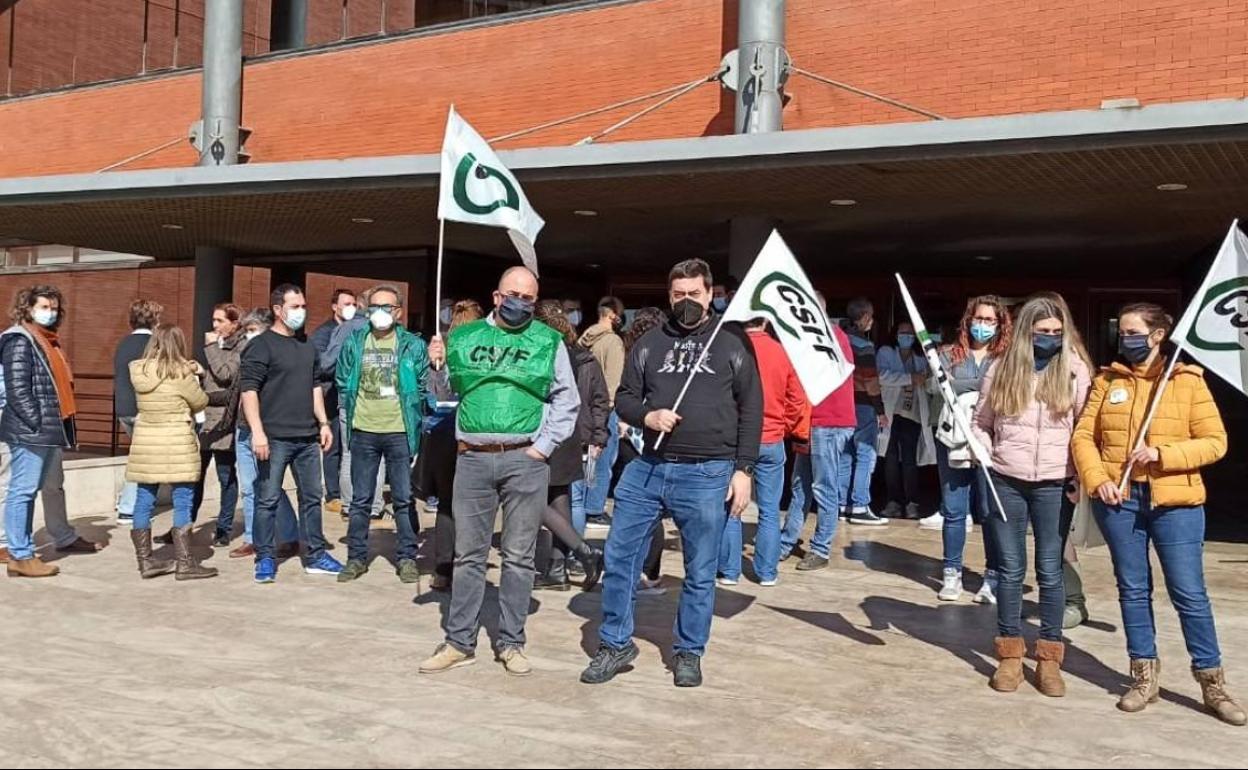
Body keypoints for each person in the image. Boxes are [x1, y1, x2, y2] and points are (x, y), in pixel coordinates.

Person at [582, 258, 762, 689]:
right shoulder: (649, 342)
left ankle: (688, 651)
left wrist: (743, 470)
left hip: (708, 472)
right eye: (678, 295)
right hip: (648, 468)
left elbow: (752, 407)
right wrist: (648, 415)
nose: (686, 302)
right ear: (669, 295)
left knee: (700, 569)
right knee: (621, 558)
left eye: (694, 294)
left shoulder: (732, 339)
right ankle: (615, 642)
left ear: (710, 293)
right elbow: (624, 398)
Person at [1072, 302, 1244, 725]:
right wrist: (1097, 480)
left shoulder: (1187, 382)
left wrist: (1161, 454)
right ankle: (1143, 675)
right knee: (1132, 589)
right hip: (1120, 501)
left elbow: (1215, 442)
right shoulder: (1107, 380)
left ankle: (1212, 682)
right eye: (1122, 331)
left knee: (1189, 593)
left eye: (1133, 331)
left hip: (1177, 503)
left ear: (1157, 335)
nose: (1124, 338)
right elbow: (1083, 436)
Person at [419, 267, 579, 677]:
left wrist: (543, 447)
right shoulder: (464, 338)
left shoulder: (548, 341)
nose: (520, 303)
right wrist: (436, 365)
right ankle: (459, 641)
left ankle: (511, 641)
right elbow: (445, 392)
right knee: (468, 554)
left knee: (519, 556)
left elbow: (567, 399)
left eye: (529, 297)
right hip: (472, 456)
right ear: (496, 296)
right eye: (513, 294)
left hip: (524, 457)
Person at [972, 293, 1091, 698]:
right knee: (1008, 569)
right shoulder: (1000, 368)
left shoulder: (1074, 371)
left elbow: (1084, 429)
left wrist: (1079, 474)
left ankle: (1049, 659)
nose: (1051, 339)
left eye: (1058, 333)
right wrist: (981, 447)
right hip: (1007, 478)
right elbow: (982, 421)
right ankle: (1008, 654)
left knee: (1050, 571)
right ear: (1027, 332)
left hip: (1055, 483)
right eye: (1043, 332)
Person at [240, 283, 342, 583]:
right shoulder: (260, 346)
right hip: (273, 439)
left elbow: (314, 387)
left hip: (307, 438)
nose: (301, 311)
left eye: (303, 306)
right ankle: (265, 558)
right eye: (295, 306)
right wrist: (257, 433)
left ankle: (315, 554)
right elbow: (249, 391)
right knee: (267, 500)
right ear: (277, 309)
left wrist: (323, 422)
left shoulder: (307, 346)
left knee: (311, 498)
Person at [334, 284, 430, 583]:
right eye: (373, 306)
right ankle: (356, 558)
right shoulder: (355, 341)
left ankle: (407, 558)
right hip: (364, 430)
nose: (378, 312)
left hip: (399, 431)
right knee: (360, 500)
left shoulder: (412, 345)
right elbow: (342, 378)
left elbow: (424, 383)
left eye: (386, 307)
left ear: (398, 312)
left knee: (402, 498)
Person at [0, 286, 96, 577]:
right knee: (22, 490)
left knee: (32, 489)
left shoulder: (46, 340)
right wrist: (36, 422)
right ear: (27, 308)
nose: (50, 311)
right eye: (44, 306)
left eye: (53, 307)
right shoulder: (20, 339)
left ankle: (23, 552)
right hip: (31, 429)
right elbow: (17, 388)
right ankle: (20, 554)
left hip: (45, 428)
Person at [927, 296, 1012, 604]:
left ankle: (993, 576)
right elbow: (934, 387)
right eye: (979, 319)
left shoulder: (1008, 358)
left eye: (990, 321)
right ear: (968, 320)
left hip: (992, 441)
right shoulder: (949, 354)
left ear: (1000, 324)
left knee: (990, 511)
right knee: (954, 509)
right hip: (953, 439)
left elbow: (1006, 393)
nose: (983, 326)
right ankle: (952, 573)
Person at [124, 324, 217, 580]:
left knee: (144, 500)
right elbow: (200, 401)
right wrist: (196, 373)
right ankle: (185, 563)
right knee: (183, 500)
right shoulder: (180, 373)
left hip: (146, 442)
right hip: (177, 441)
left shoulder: (139, 370)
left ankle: (145, 561)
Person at [718, 317, 805, 586]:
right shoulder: (782, 351)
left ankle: (730, 571)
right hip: (772, 438)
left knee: (732, 506)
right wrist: (784, 426)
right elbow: (797, 399)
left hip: (737, 438)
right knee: (770, 509)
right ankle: (767, 572)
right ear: (766, 320)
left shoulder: (730, 348)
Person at [532, 300, 608, 592]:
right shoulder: (582, 356)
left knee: (529, 498)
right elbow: (599, 399)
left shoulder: (546, 353)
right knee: (558, 501)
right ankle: (556, 570)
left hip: (547, 432)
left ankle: (585, 552)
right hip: (571, 434)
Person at [779, 292, 855, 571]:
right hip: (811, 423)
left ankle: (821, 548)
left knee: (823, 487)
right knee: (800, 486)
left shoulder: (832, 338)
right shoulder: (815, 339)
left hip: (829, 422)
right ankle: (786, 542)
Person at [417, 299, 483, 592]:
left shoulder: (444, 351)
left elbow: (433, 394)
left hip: (443, 435)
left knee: (446, 504)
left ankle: (444, 569)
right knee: (472, 506)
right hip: (471, 434)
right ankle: (467, 567)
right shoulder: (481, 351)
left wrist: (434, 366)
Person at [230, 309, 301, 559]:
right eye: (246, 331)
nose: (249, 336)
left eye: (253, 330)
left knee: (269, 486)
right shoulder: (244, 354)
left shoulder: (277, 356)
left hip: (267, 428)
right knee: (249, 487)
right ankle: (253, 538)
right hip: (243, 427)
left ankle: (290, 535)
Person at [321, 305, 386, 522]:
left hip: (350, 398)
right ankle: (375, 507)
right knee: (379, 456)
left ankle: (349, 506)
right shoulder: (391, 329)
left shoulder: (346, 329)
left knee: (349, 454)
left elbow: (327, 364)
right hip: (381, 400)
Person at [576, 296, 626, 532]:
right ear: (612, 314)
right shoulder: (613, 341)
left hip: (583, 405)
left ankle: (583, 503)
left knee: (588, 460)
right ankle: (594, 509)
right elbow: (613, 380)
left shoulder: (584, 338)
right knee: (604, 460)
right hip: (605, 407)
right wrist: (613, 407)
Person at [196, 303, 243, 547]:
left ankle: (224, 528)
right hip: (205, 420)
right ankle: (183, 527)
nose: (214, 326)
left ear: (234, 323)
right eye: (213, 320)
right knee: (195, 475)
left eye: (220, 320)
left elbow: (226, 375)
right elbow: (214, 377)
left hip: (225, 421)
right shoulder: (217, 346)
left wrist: (211, 346)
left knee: (226, 475)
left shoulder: (242, 346)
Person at [878, 321, 935, 519]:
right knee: (890, 458)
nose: (907, 336)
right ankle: (893, 502)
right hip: (891, 412)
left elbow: (927, 382)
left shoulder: (920, 357)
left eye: (911, 334)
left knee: (910, 459)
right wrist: (910, 378)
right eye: (903, 333)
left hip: (913, 414)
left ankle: (912, 502)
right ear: (895, 334)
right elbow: (881, 376)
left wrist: (923, 378)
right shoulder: (886, 352)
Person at [113, 299, 163, 525]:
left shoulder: (123, 344)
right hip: (146, 410)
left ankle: (127, 501)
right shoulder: (155, 344)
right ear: (154, 319)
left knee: (138, 455)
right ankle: (129, 508)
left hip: (124, 409)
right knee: (145, 461)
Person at [840, 298, 889, 525]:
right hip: (863, 407)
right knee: (865, 454)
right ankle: (859, 505)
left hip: (842, 404)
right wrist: (880, 409)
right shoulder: (864, 346)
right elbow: (870, 381)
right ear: (866, 317)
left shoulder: (839, 341)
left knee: (845, 455)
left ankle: (842, 503)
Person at [310, 288, 358, 517]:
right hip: (329, 397)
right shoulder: (324, 333)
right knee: (333, 448)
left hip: (347, 396)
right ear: (334, 306)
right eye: (346, 303)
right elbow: (319, 367)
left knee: (348, 448)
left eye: (354, 303)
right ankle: (333, 494)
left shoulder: (353, 328)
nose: (351, 307)